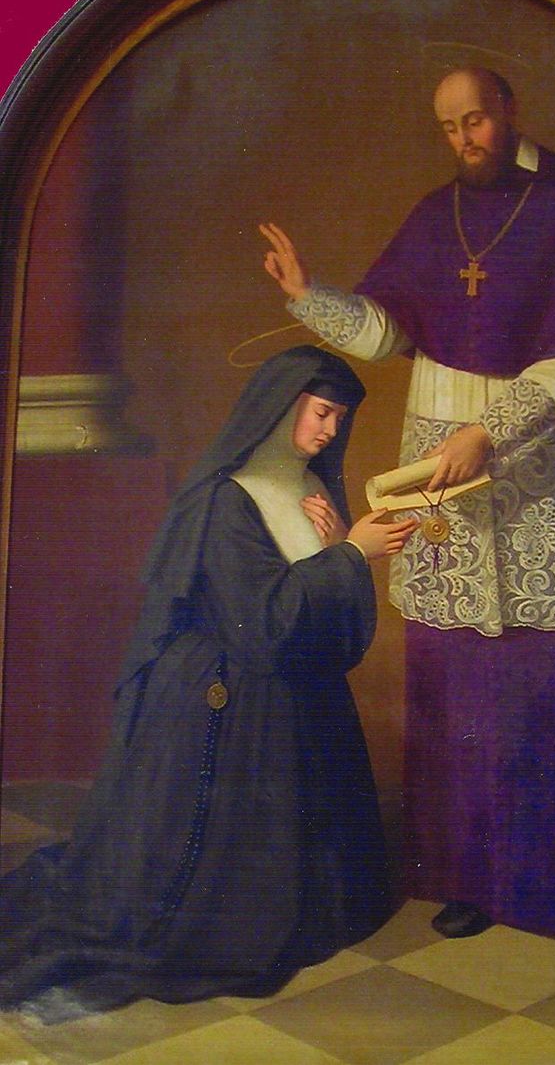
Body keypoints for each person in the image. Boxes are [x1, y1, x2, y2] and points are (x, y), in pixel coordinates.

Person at [258, 68, 555, 952]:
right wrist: (308, 296)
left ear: (510, 110)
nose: (465, 139)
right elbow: (393, 330)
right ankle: (475, 873)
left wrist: (491, 430)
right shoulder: (439, 214)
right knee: (460, 672)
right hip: (444, 456)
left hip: (549, 456)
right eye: (449, 127)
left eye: (475, 120)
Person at [0, 345, 416, 1018]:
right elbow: (262, 623)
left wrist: (343, 549)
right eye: (321, 412)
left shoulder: (314, 488)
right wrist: (347, 554)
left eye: (341, 418)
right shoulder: (226, 500)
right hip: (226, 698)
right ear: (281, 406)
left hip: (296, 695)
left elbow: (334, 625)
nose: (330, 430)